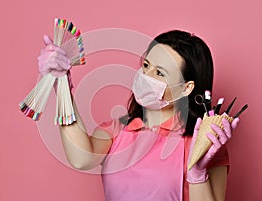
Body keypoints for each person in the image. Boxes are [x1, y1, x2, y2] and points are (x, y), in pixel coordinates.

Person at [37, 30, 240, 201]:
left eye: (159, 73)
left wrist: (197, 175)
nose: (146, 76)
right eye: (146, 66)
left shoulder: (204, 143)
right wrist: (62, 85)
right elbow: (82, 158)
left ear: (186, 88)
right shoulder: (117, 130)